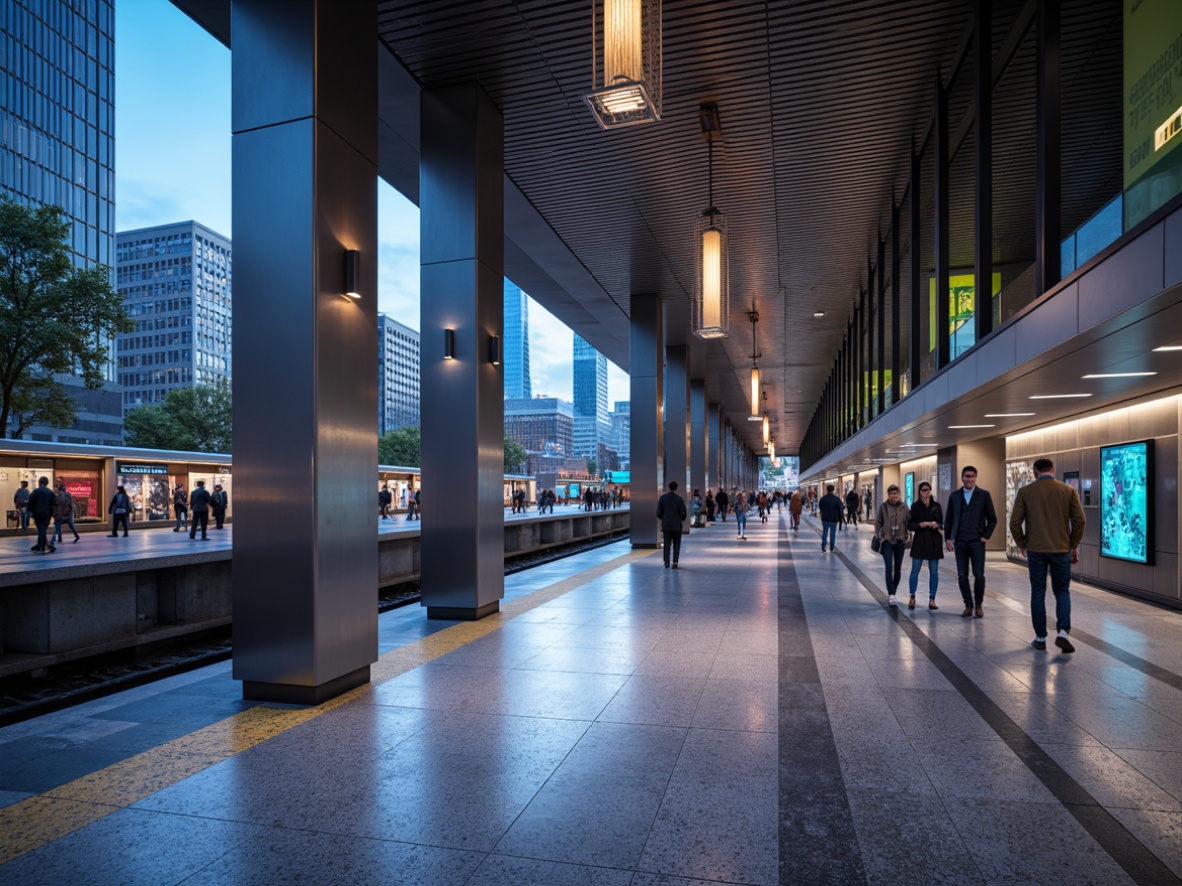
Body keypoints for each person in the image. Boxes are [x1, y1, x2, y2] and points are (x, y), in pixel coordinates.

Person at [1010, 457, 1086, 653]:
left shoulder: (1026, 492)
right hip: (1061, 549)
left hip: (1036, 550)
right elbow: (1080, 521)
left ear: (1035, 471)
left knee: (1038, 592)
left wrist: (1022, 544)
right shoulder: (1068, 491)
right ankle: (1063, 632)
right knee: (1062, 591)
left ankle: (1040, 637)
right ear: (1053, 469)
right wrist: (1073, 545)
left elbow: (1015, 523)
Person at [944, 465, 998, 618]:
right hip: (960, 541)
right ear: (962, 478)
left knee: (979, 574)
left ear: (976, 477)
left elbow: (993, 519)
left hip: (977, 541)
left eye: (972, 476)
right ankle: (968, 604)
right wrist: (948, 538)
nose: (969, 479)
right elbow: (948, 519)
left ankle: (978, 604)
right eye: (967, 476)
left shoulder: (984, 495)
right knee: (962, 575)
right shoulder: (954, 496)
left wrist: (985, 535)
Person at [907, 481, 943, 610]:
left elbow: (943, 523)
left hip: (934, 542)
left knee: (934, 572)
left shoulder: (937, 506)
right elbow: (910, 525)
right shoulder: (915, 506)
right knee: (915, 570)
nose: (925, 493)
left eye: (927, 490)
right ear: (919, 492)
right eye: (923, 490)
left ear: (931, 490)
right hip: (920, 541)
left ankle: (932, 599)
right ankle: (912, 596)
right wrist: (919, 525)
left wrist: (937, 524)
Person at [875, 484, 911, 605]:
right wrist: (878, 535)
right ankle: (891, 593)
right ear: (888, 495)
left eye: (895, 493)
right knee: (889, 567)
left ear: (899, 494)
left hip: (900, 541)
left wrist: (909, 533)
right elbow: (878, 522)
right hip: (887, 541)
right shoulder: (883, 507)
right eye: (891, 493)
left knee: (897, 569)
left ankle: (894, 590)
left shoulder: (904, 507)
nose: (893, 496)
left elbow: (909, 521)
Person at [656, 480, 688, 569]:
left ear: (668, 488)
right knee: (676, 544)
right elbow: (683, 512)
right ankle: (675, 562)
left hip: (666, 525)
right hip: (677, 525)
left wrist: (664, 518)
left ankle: (666, 562)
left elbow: (658, 512)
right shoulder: (679, 498)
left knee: (667, 543)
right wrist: (681, 518)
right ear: (676, 488)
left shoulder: (663, 498)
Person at [27, 476, 57, 553]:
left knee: (41, 529)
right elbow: (54, 503)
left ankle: (44, 545)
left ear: (39, 483)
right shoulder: (50, 492)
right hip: (47, 514)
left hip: (37, 513)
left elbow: (31, 502)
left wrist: (30, 511)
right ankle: (41, 545)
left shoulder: (35, 491)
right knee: (43, 529)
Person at [818, 484, 844, 552]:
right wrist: (840, 517)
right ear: (833, 490)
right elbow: (840, 508)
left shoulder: (823, 498)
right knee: (833, 533)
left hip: (825, 518)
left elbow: (820, 507)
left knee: (825, 532)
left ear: (827, 490)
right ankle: (832, 547)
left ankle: (823, 546)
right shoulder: (836, 499)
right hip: (834, 519)